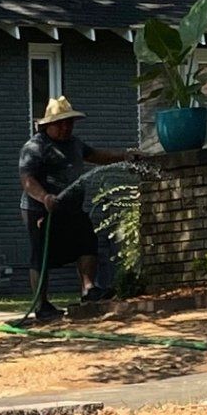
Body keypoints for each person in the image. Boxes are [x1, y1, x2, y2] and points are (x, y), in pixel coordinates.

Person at [18, 96, 139, 322]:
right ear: (47, 125)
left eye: (69, 122)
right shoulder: (35, 147)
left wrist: (126, 155)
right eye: (60, 123)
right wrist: (44, 197)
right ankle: (42, 305)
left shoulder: (75, 144)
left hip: (71, 209)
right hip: (41, 210)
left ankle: (89, 290)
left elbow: (97, 156)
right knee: (41, 255)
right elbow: (27, 180)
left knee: (87, 241)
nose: (65, 127)